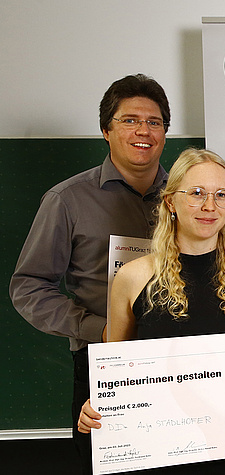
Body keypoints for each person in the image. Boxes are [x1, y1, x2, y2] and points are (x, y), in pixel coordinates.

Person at [76, 148, 225, 473]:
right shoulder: (132, 277)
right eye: (196, 194)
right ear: (170, 202)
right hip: (159, 449)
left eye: (221, 195)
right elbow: (116, 370)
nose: (209, 206)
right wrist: (99, 406)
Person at [10, 73, 170, 475]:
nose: (143, 131)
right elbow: (28, 286)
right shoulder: (67, 200)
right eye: (130, 120)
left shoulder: (191, 196)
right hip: (105, 364)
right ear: (106, 130)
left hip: (179, 360)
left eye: (154, 122)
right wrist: (99, 328)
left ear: (165, 132)